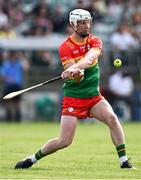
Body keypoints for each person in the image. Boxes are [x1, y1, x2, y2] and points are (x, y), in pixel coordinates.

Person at [15, 9, 135, 169]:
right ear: (73, 25)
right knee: (64, 141)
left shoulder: (95, 41)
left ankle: (124, 161)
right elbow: (79, 78)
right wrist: (74, 73)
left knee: (112, 118)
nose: (87, 26)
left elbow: (91, 57)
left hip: (93, 96)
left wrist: (75, 67)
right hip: (73, 97)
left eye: (88, 22)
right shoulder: (65, 47)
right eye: (82, 23)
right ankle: (32, 159)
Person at [0, 50, 29, 122]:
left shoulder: (19, 63)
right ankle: (8, 120)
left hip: (17, 86)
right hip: (9, 86)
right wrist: (9, 79)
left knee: (17, 104)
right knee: (8, 103)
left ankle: (17, 120)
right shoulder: (6, 64)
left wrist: (21, 57)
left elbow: (26, 67)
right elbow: (2, 75)